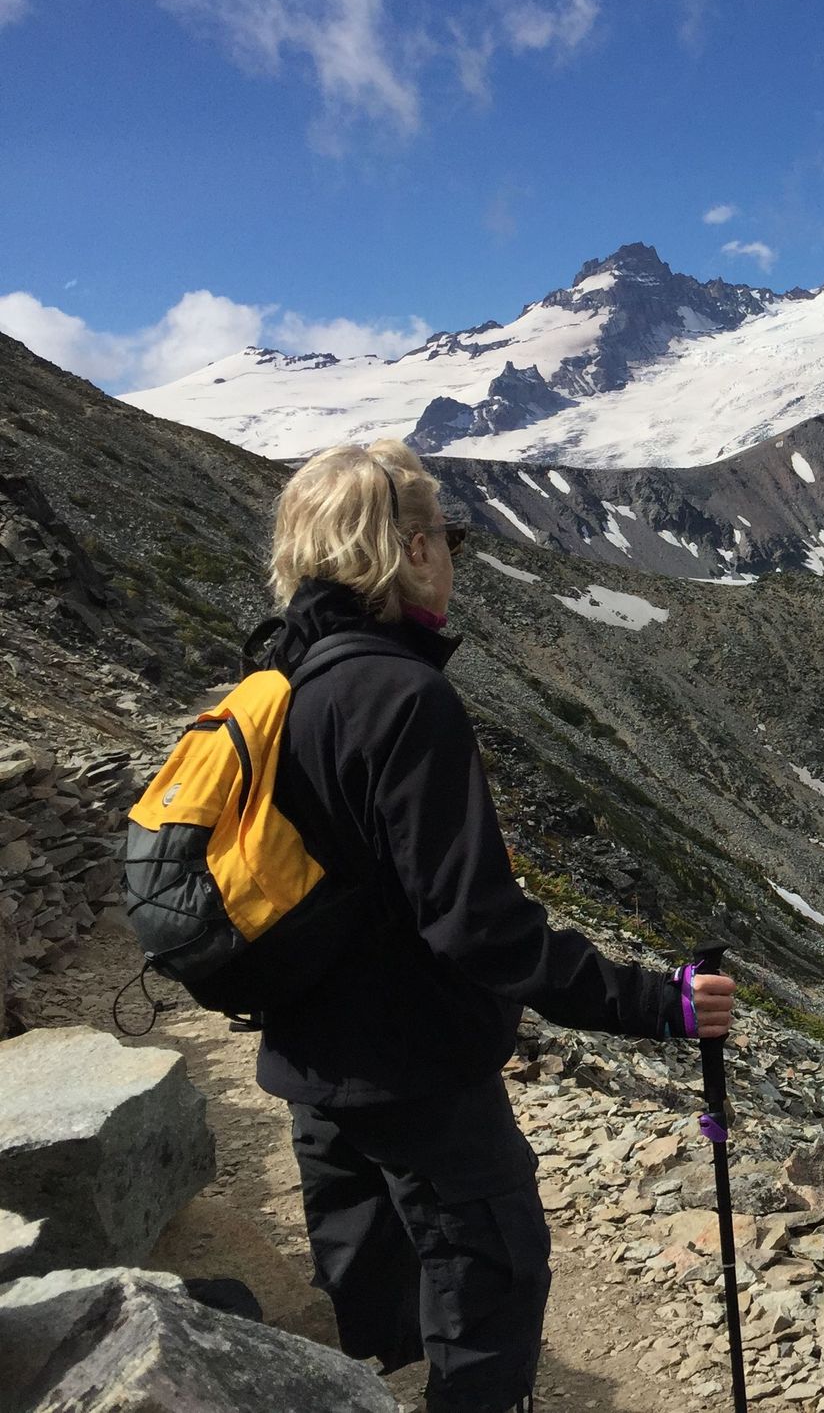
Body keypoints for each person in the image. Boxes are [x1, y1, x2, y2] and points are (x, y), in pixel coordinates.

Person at [253, 438, 734, 1413]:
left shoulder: (279, 683)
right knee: (489, 1279)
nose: (451, 558)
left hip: (311, 1059)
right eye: (446, 537)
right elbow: (476, 924)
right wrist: (656, 1003)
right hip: (416, 1068)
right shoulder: (404, 696)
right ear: (408, 551)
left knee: (372, 1287)